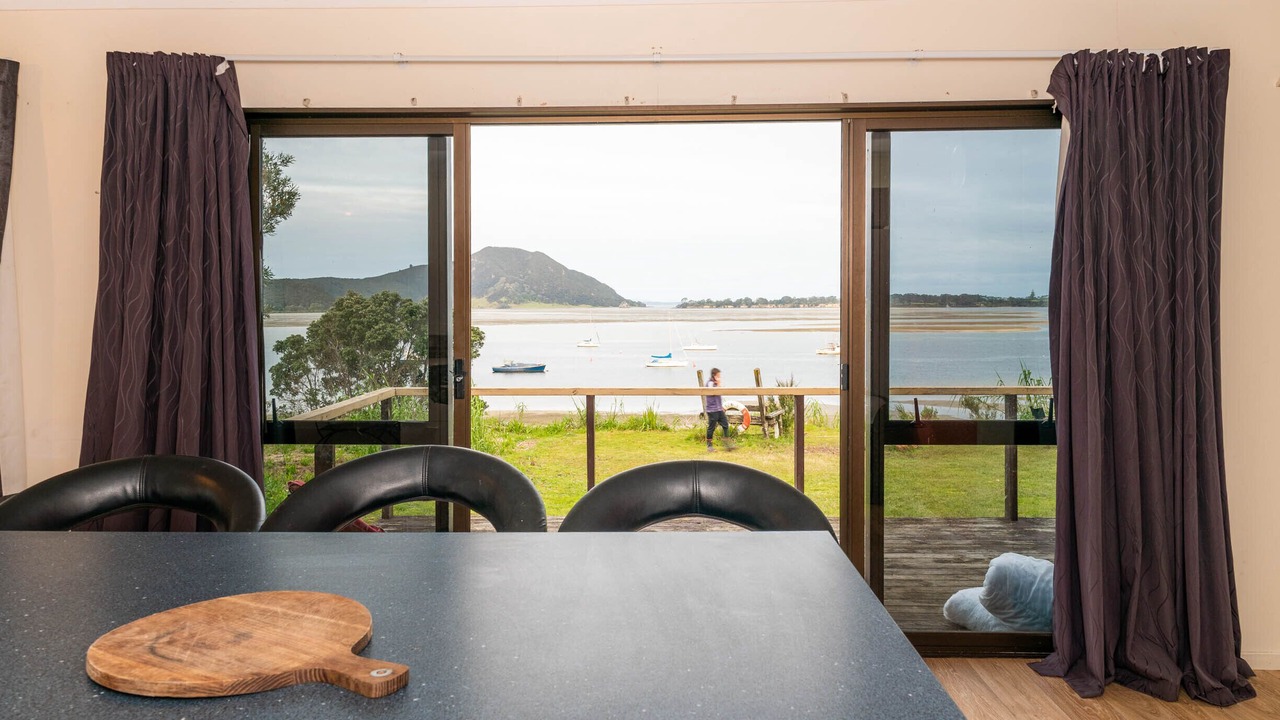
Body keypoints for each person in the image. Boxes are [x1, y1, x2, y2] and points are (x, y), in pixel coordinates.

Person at [704, 368, 733, 451]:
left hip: (719, 409)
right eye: (718, 376)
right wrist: (718, 384)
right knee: (711, 427)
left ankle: (727, 444)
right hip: (712, 409)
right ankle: (709, 446)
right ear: (714, 375)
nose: (720, 377)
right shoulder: (710, 383)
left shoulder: (716, 384)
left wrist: (718, 384)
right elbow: (713, 392)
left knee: (725, 424)